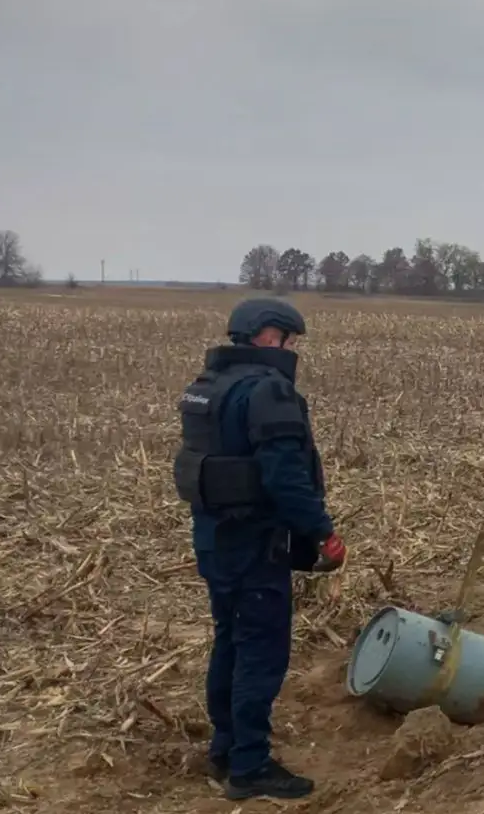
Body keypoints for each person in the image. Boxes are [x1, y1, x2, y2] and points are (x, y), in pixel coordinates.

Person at [173, 297, 347, 800]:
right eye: (289, 339)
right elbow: (285, 478)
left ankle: (225, 749)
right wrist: (322, 533)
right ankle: (250, 766)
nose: (292, 349)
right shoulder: (268, 391)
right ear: (268, 336)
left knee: (230, 639)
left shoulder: (207, 387)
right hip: (254, 545)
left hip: (214, 540)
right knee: (261, 653)